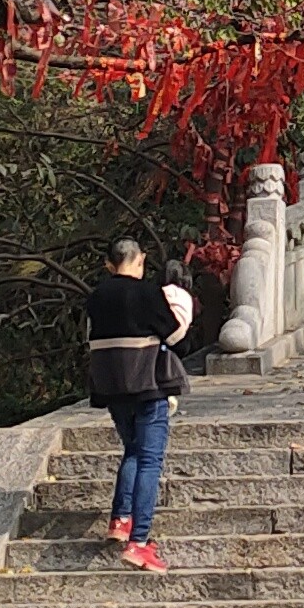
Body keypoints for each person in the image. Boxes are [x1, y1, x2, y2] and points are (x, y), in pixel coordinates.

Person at [84, 235, 194, 573]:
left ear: (109, 263)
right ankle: (139, 542)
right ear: (140, 260)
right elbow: (176, 337)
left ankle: (120, 519)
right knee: (149, 460)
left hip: (111, 386)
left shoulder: (96, 297)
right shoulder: (148, 293)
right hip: (147, 384)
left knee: (132, 449)